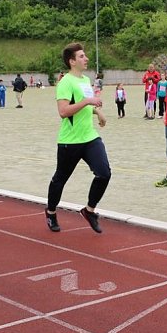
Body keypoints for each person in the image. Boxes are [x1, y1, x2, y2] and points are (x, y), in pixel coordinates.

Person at [45, 42, 111, 234]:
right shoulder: (65, 82)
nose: (86, 58)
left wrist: (97, 112)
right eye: (82, 56)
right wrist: (88, 101)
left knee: (104, 173)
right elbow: (64, 111)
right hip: (70, 141)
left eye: (85, 55)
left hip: (89, 137)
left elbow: (85, 106)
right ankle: (50, 212)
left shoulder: (84, 80)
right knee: (60, 179)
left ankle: (89, 211)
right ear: (72, 61)